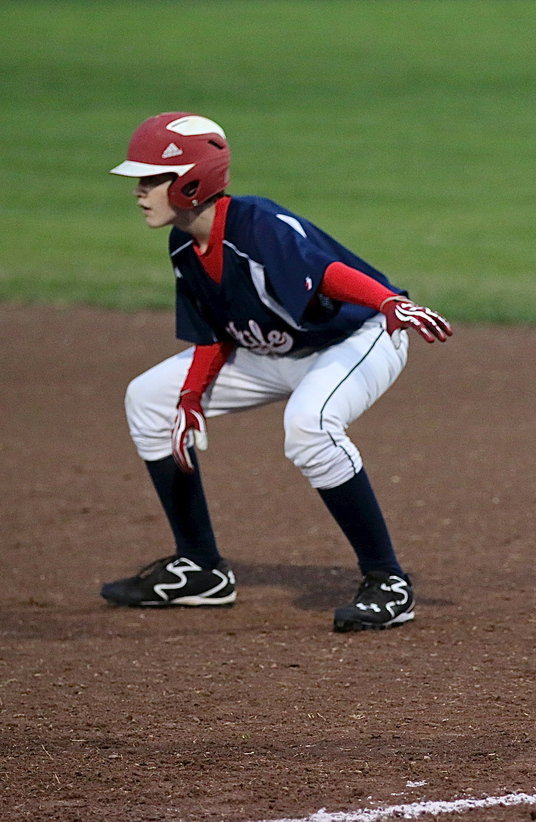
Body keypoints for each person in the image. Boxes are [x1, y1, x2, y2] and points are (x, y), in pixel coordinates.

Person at [103, 112, 452, 632]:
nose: (139, 190)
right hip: (274, 353)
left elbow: (326, 274)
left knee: (309, 425)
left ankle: (388, 581)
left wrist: (388, 302)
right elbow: (214, 332)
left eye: (152, 178)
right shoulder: (183, 242)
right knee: (150, 396)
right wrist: (191, 397)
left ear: (192, 181)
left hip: (358, 338)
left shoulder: (257, 225)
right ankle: (200, 568)